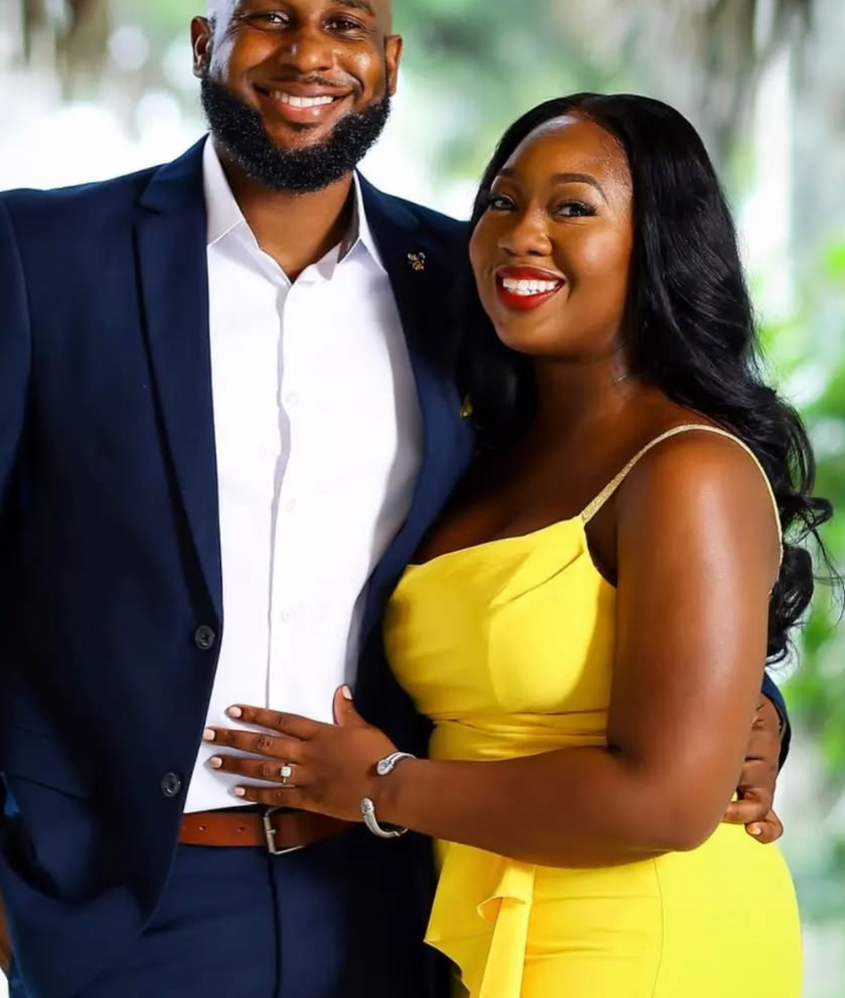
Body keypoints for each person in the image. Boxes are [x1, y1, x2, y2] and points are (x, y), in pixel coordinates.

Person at [0, 0, 787, 988]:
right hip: (124, 898)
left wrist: (745, 709)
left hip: (393, 888)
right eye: (269, 16)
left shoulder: (458, 281)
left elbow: (578, 511)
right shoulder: (46, 256)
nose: (308, 52)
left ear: (388, 63)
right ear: (205, 42)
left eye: (346, 22)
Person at [202, 94, 834, 997]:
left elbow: (665, 801)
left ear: (658, 243)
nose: (521, 234)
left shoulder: (687, 468)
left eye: (571, 207)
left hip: (642, 937)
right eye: (501, 202)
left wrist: (380, 784)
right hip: (483, 917)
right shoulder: (484, 450)